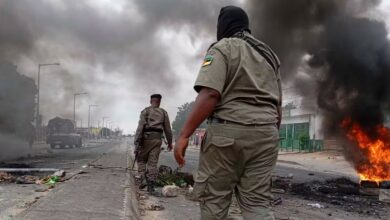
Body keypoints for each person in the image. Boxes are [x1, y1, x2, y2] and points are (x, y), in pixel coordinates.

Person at [174, 6, 282, 220]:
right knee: (257, 202)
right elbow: (278, 104)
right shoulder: (269, 55)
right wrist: (267, 134)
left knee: (215, 199)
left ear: (223, 25)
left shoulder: (222, 48)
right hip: (267, 134)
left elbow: (210, 94)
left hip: (227, 134)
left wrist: (185, 135)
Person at [134, 94, 173, 192]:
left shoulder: (145, 111)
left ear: (150, 101)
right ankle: (151, 187)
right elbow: (168, 129)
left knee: (141, 159)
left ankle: (142, 179)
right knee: (153, 163)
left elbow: (140, 128)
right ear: (159, 102)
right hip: (157, 140)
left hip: (146, 139)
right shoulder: (164, 113)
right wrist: (170, 142)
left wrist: (137, 142)